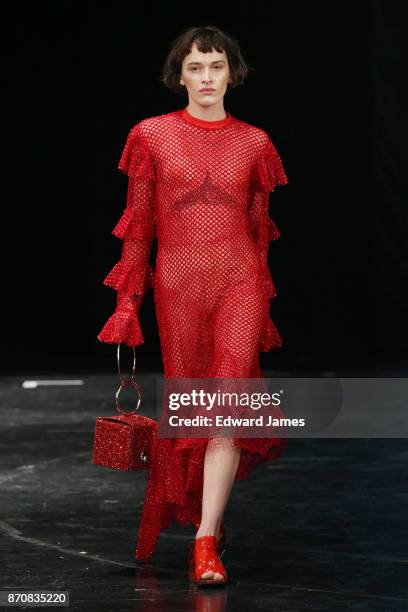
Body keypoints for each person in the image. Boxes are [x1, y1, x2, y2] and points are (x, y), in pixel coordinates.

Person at [97, 25, 289, 586]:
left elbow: (258, 233)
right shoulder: (151, 135)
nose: (207, 78)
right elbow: (139, 229)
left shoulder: (255, 143)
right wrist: (127, 303)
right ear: (178, 74)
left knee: (227, 401)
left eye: (217, 66)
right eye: (196, 67)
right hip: (178, 285)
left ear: (233, 72)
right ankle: (210, 519)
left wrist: (264, 307)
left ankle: (205, 542)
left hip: (240, 283)